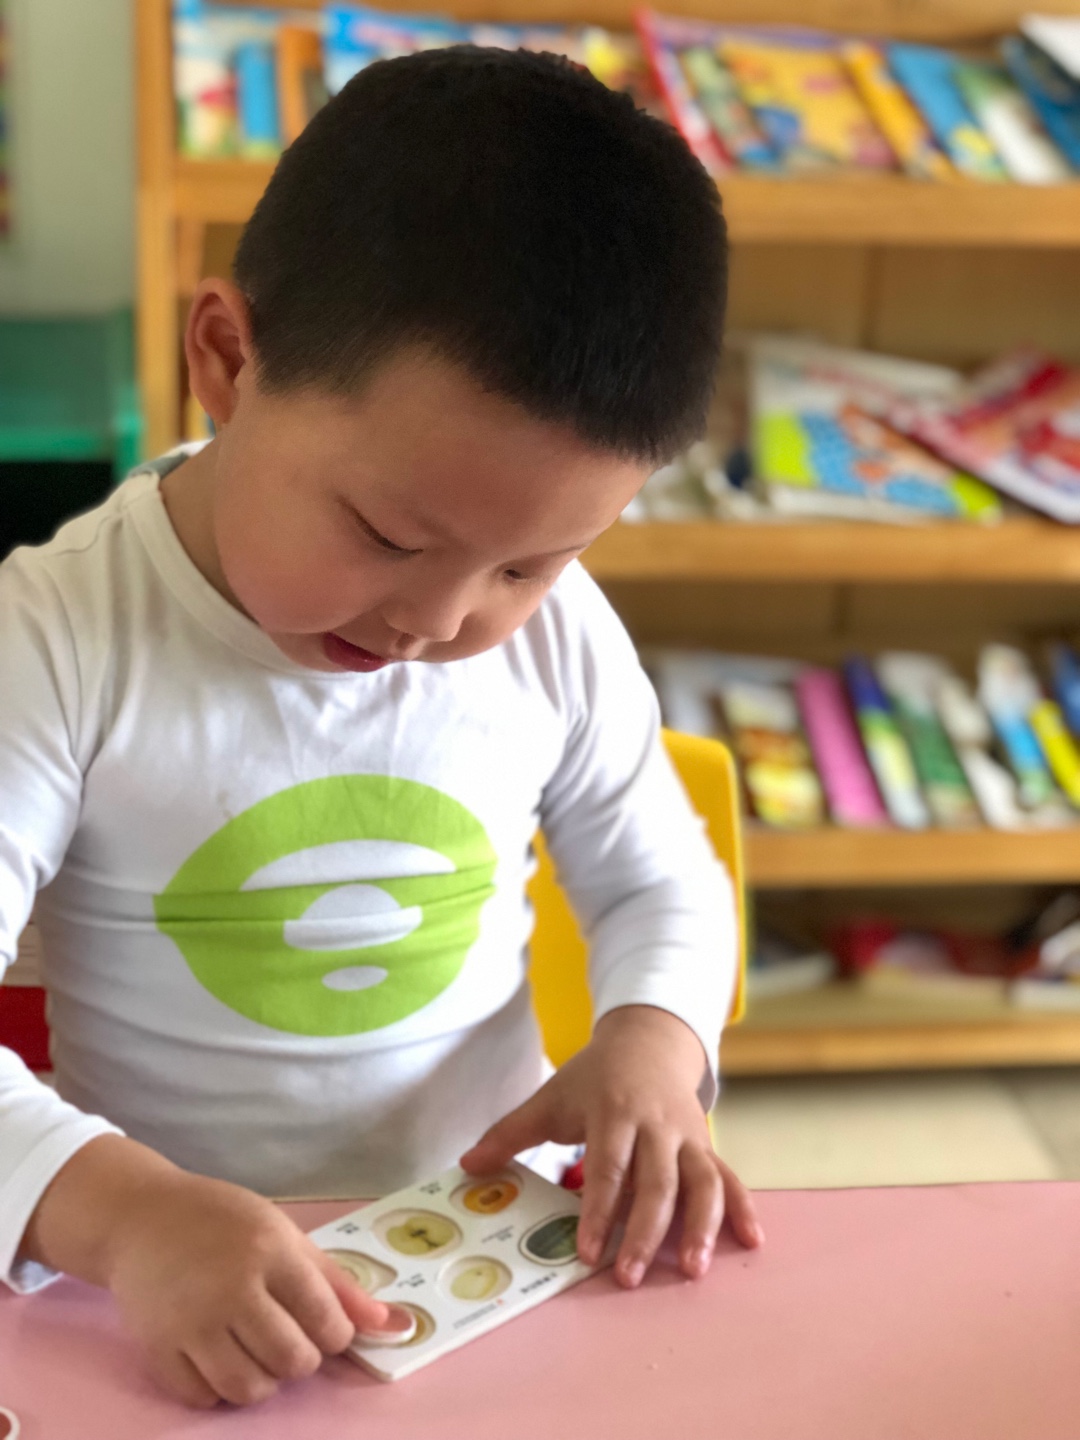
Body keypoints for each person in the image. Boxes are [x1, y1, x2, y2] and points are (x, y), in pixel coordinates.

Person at [0, 46, 761, 1409]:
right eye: (388, 535)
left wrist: (654, 1043)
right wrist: (124, 1218)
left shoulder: (562, 639)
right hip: (177, 1287)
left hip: (485, 1259)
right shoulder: (55, 640)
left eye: (529, 564)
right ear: (227, 360)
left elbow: (661, 880)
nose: (441, 619)